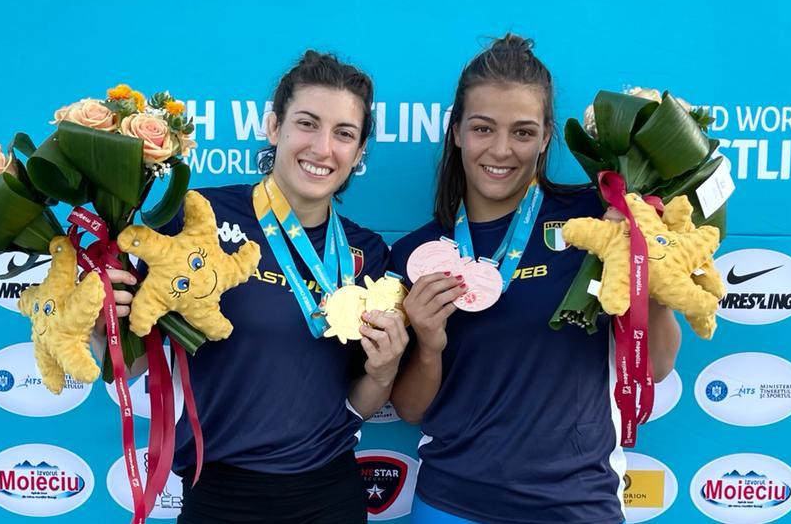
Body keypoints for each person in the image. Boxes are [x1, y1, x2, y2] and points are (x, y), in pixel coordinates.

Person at [100, 50, 408, 524]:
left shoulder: (367, 253)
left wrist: (384, 373)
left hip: (330, 496)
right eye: (307, 123)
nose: (323, 148)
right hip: (221, 495)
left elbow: (358, 403)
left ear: (359, 151)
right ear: (273, 127)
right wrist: (108, 325)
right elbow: (136, 360)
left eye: (344, 134)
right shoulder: (200, 216)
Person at [389, 34, 681, 524]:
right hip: (451, 505)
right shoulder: (417, 254)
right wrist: (429, 344)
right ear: (456, 130)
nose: (501, 150)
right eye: (482, 128)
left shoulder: (597, 221)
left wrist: (642, 261)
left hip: (576, 505)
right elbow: (413, 411)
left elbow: (656, 365)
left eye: (523, 132)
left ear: (547, 137)